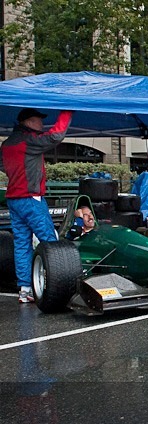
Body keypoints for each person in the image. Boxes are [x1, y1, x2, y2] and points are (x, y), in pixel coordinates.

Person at [0, 107, 73, 303]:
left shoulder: (7, 144)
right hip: (31, 198)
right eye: (38, 120)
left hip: (14, 199)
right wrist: (68, 111)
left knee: (22, 244)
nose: (42, 124)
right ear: (29, 122)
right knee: (50, 241)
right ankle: (57, 284)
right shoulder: (29, 140)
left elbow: (3, 165)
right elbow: (55, 136)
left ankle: (25, 289)